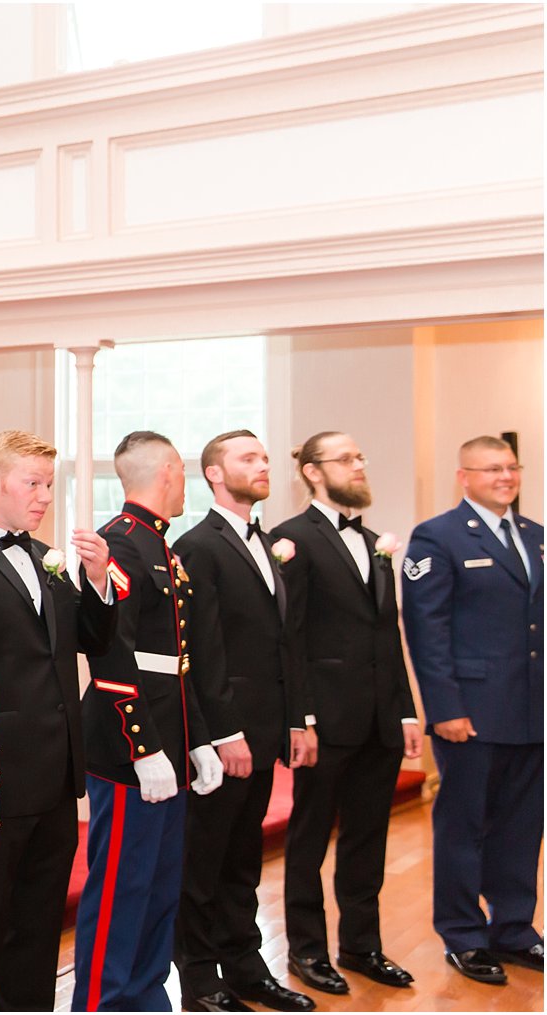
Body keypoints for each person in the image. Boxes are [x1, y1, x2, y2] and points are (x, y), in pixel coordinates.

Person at [0, 430, 115, 1011]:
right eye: (33, 483)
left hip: (56, 773)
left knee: (39, 924)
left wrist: (96, 582)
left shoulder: (48, 560)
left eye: (49, 483)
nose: (44, 496)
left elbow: (89, 641)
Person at [70, 430, 223, 1013]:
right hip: (128, 747)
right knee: (120, 887)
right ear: (167, 471)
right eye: (183, 473)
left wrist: (199, 741)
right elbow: (111, 656)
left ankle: (144, 994)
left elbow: (177, 661)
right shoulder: (120, 545)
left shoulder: (163, 547)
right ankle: (103, 1002)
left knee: (160, 885)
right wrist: (143, 746)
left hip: (170, 739)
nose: (185, 483)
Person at [271, 431, 421, 997]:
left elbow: (389, 634)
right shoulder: (292, 540)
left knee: (367, 840)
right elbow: (291, 639)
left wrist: (405, 712)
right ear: (312, 471)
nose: (359, 466)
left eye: (361, 456)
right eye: (347, 459)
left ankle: (362, 946)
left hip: (380, 719)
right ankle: (307, 952)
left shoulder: (375, 543)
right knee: (308, 840)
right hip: (325, 721)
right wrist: (301, 718)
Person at [171, 431, 316, 1013]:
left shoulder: (269, 542)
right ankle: (200, 979)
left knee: (243, 859)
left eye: (263, 458)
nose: (262, 466)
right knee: (203, 861)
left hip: (266, 730)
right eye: (247, 458)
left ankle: (247, 967)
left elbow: (287, 643)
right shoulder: (198, 546)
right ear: (213, 473)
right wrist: (223, 733)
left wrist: (297, 721)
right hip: (226, 735)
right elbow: (201, 651)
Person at [401, 435, 543, 984]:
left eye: (511, 468)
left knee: (521, 826)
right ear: (464, 476)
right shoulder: (437, 536)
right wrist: (444, 708)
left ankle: (513, 928)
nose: (505, 477)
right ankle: (463, 934)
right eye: (491, 469)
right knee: (464, 827)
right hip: (470, 712)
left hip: (530, 711)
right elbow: (426, 630)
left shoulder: (534, 536)